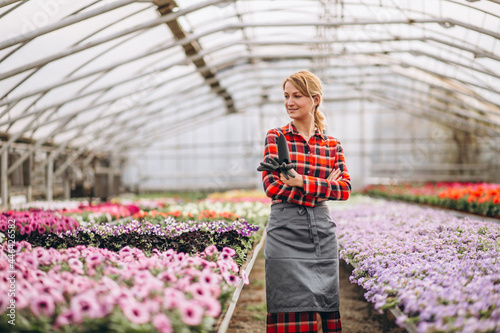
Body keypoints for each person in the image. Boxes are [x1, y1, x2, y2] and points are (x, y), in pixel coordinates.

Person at [260, 70, 351, 333]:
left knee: (323, 304)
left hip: (321, 232)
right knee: (287, 305)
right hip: (285, 230)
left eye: (297, 96)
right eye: (286, 96)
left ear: (315, 99)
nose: (289, 102)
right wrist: (323, 188)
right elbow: (272, 186)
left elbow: (344, 189)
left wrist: (301, 182)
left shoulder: (332, 145)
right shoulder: (277, 137)